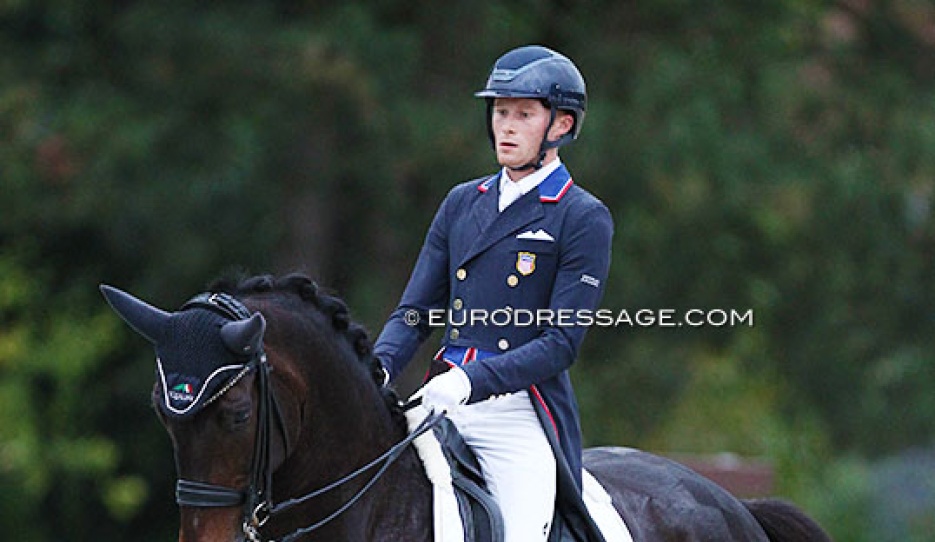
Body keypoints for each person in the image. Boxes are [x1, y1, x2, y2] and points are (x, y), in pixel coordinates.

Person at [374, 44, 613, 541]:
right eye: (501, 112)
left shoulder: (580, 215)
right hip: (440, 396)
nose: (506, 126)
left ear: (561, 126)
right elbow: (416, 311)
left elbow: (561, 343)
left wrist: (471, 381)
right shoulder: (463, 203)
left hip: (518, 410)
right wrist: (377, 366)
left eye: (524, 114)